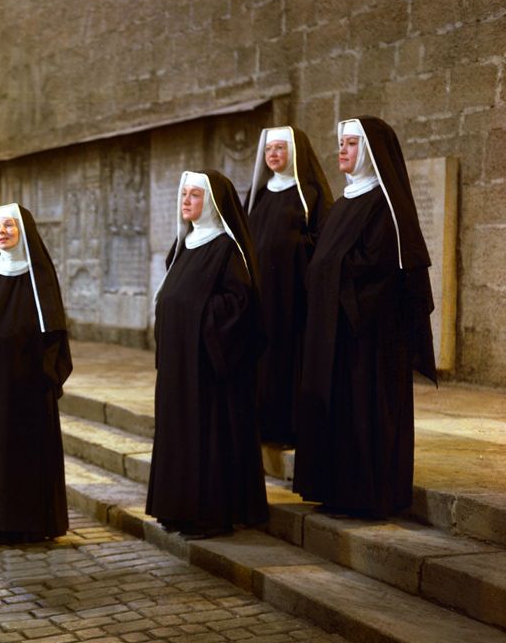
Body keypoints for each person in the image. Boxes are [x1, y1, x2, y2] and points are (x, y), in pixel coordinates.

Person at [294, 117, 436, 518]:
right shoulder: (343, 204)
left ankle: (366, 496)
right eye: (341, 143)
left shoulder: (385, 207)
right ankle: (335, 491)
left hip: (367, 338)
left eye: (351, 144)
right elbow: (326, 260)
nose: (342, 150)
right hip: (333, 332)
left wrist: (325, 273)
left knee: (363, 412)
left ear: (371, 152)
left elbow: (376, 268)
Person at [146, 171, 268, 538]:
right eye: (183, 194)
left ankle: (209, 515)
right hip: (178, 364)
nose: (186, 200)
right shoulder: (183, 245)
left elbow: (238, 305)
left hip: (209, 368)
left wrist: (193, 314)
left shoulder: (226, 248)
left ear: (213, 203)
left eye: (194, 195)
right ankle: (178, 509)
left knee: (206, 437)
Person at [0, 203, 72, 543]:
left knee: (26, 454)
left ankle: (32, 524)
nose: (2, 232)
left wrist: (44, 373)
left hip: (29, 385)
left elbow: (53, 332)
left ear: (24, 231)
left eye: (8, 226)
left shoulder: (38, 276)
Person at [245, 125, 333, 445]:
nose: (273, 155)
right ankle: (261, 425)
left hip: (294, 294)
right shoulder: (259, 194)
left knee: (288, 358)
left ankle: (287, 428)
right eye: (269, 150)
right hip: (261, 293)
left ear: (294, 152)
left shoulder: (310, 194)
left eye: (280, 148)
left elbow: (324, 243)